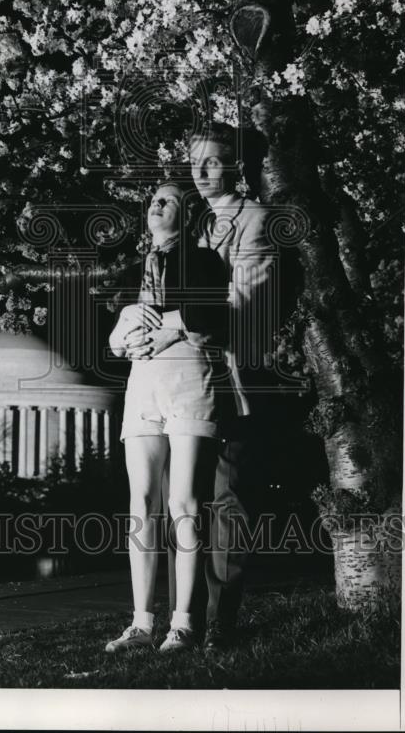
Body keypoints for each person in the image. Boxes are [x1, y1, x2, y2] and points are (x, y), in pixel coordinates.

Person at [104, 180, 231, 653]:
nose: (156, 206)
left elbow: (210, 313)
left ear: (187, 213)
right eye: (153, 200)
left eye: (168, 200)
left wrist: (169, 330)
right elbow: (114, 337)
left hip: (187, 383)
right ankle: (140, 623)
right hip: (143, 385)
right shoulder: (136, 270)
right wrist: (124, 338)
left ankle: (184, 623)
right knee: (141, 501)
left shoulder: (200, 261)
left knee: (184, 503)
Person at [188, 123, 284, 650]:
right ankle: (177, 620)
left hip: (233, 376)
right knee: (180, 496)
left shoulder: (256, 220)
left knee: (227, 500)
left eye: (213, 161)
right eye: (194, 161)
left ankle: (220, 621)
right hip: (179, 376)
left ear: (237, 165)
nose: (201, 172)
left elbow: (249, 303)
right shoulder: (189, 221)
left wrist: (183, 320)